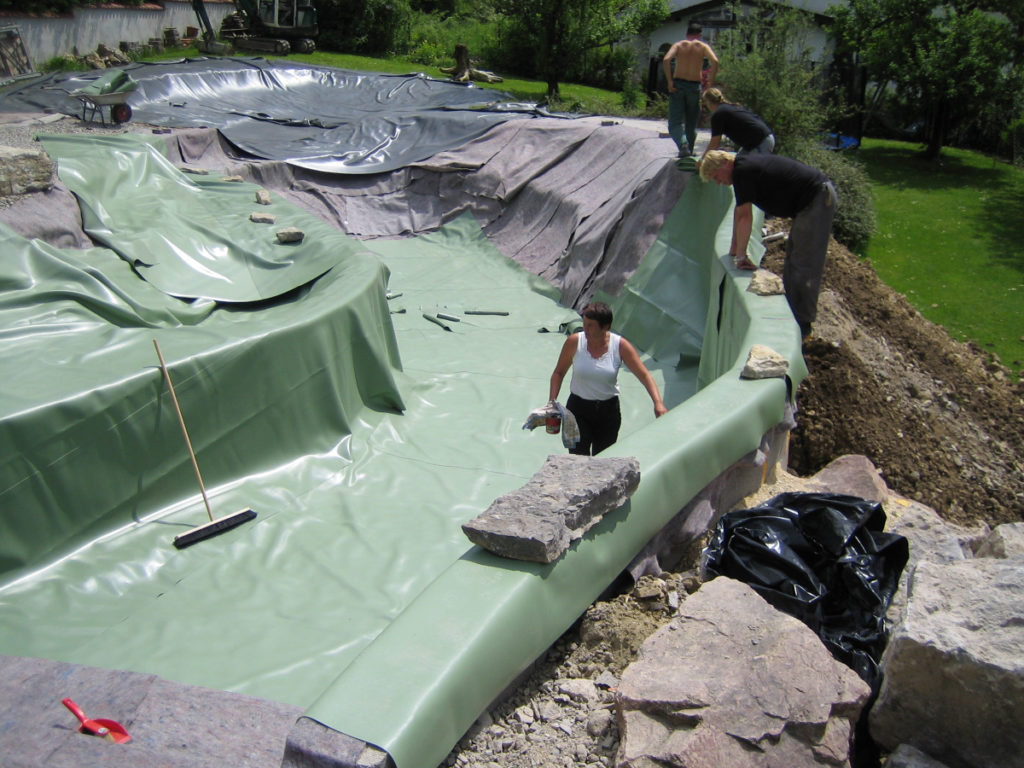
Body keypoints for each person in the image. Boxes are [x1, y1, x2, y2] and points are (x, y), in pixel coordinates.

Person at [698, 149, 837, 339]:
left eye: (716, 176)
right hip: (809, 201)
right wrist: (734, 250)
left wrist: (741, 256)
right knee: (794, 259)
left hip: (816, 199)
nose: (718, 182)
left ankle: (802, 326)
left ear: (724, 163)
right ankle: (793, 316)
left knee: (804, 263)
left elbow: (746, 216)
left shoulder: (742, 171)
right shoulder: (742, 169)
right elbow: (739, 214)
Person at [549, 302, 667, 456]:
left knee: (603, 460)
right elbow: (558, 373)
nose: (585, 329)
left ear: (605, 327)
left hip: (608, 413)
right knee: (577, 460)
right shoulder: (574, 342)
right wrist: (552, 403)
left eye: (590, 325)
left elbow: (644, 374)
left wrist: (658, 403)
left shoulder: (620, 346)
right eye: (584, 323)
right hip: (577, 411)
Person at [663, 22, 719, 158]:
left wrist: (670, 81)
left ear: (687, 34)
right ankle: (689, 152)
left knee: (675, 123)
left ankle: (683, 145)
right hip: (694, 87)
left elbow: (666, 59)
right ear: (699, 35)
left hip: (678, 85)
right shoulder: (703, 46)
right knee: (691, 123)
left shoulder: (678, 45)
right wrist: (710, 82)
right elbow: (715, 61)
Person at [701, 88, 775, 157]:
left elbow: (715, 144)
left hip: (761, 142)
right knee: (737, 166)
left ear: (708, 101)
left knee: (750, 169)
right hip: (756, 142)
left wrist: (702, 160)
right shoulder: (728, 108)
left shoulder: (718, 114)